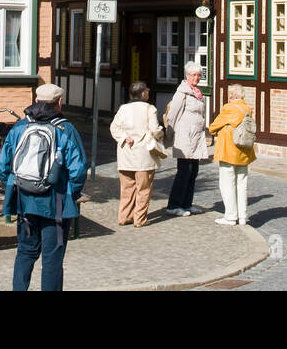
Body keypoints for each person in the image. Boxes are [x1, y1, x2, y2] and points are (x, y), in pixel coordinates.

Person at [0, 82, 88, 291]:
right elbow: (78, 170)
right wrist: (70, 194)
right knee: (52, 258)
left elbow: (2, 166)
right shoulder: (66, 129)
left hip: (24, 202)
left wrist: (16, 187)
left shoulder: (20, 127)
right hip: (55, 203)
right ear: (59, 103)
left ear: (36, 100)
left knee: (25, 252)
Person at [110, 81, 164, 227]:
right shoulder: (150, 109)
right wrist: (161, 132)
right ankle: (139, 219)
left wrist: (123, 137)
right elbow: (154, 129)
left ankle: (124, 216)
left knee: (127, 188)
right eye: (147, 90)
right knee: (143, 188)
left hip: (126, 154)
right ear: (142, 93)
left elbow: (114, 127)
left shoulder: (123, 109)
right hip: (143, 156)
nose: (148, 92)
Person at [164, 61, 208, 216]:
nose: (196, 78)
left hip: (196, 138)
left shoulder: (197, 92)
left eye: (198, 75)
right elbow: (172, 115)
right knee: (184, 171)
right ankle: (173, 205)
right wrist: (169, 136)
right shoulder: (181, 92)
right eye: (193, 75)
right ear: (187, 76)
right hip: (184, 137)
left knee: (193, 171)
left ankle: (187, 204)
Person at [208, 84, 256, 226]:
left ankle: (230, 216)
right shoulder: (248, 109)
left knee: (227, 182)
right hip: (244, 150)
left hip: (229, 150)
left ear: (231, 95)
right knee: (242, 183)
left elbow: (213, 126)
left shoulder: (228, 108)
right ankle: (242, 216)